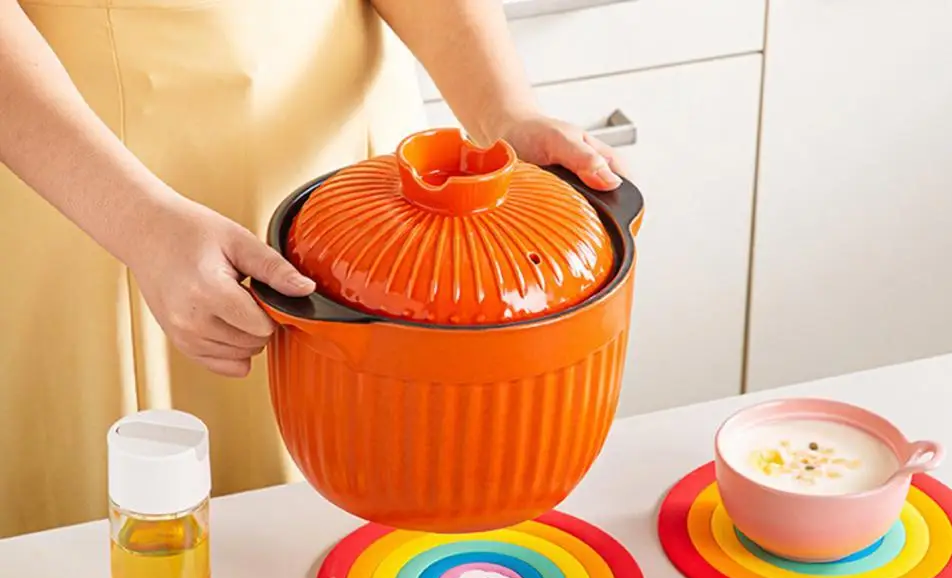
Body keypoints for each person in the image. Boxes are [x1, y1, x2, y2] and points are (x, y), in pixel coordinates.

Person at [0, 0, 626, 539]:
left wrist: (503, 114)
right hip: (107, 186)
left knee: (379, 554)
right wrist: (141, 224)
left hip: (365, 172)